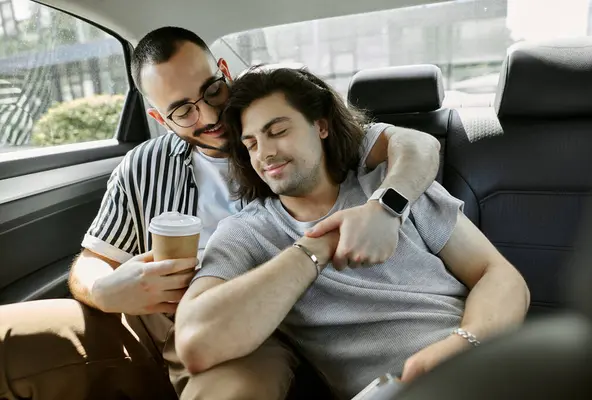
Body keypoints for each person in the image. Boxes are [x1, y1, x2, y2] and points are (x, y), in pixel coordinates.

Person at [0, 27, 442, 400]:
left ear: (224, 71)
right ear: (158, 116)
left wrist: (388, 206)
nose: (209, 113)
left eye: (211, 89)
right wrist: (107, 290)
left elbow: (415, 145)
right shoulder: (143, 166)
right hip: (158, 321)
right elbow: (91, 262)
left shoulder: (293, 133)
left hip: (261, 329)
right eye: (182, 110)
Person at [175, 66, 531, 399]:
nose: (265, 153)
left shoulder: (392, 185)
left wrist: (463, 345)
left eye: (278, 131)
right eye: (251, 144)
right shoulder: (247, 232)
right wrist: (320, 245)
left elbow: (498, 275)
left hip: (487, 362)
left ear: (321, 127)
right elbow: (195, 343)